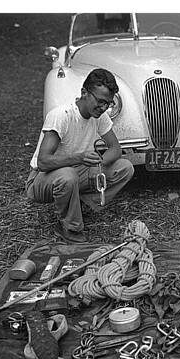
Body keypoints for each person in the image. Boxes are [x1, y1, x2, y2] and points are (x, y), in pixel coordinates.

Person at [26, 68, 134, 242]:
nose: (103, 107)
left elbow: (115, 149)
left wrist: (99, 164)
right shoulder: (61, 116)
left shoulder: (99, 116)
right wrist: (80, 158)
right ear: (84, 92)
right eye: (100, 101)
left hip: (76, 171)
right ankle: (70, 228)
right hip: (41, 179)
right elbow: (43, 162)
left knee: (124, 168)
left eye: (108, 103)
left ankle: (79, 205)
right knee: (68, 176)